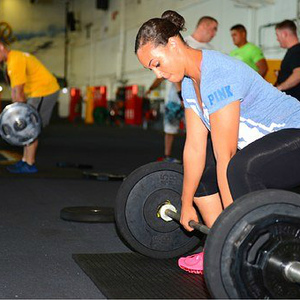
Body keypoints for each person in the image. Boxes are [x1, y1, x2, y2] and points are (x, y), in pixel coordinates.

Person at [135, 10, 300, 274]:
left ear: (174, 44)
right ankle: (218, 247)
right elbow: (194, 147)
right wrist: (186, 203)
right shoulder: (189, 83)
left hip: (294, 135)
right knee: (201, 176)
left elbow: (226, 155)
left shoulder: (218, 73)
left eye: (157, 63)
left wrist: (232, 228)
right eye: (151, 69)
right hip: (265, 145)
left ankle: (254, 251)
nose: (158, 73)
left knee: (240, 168)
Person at [146, 16, 218, 162]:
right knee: (170, 127)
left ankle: (199, 160)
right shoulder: (184, 43)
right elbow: (172, 71)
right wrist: (180, 94)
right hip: (176, 96)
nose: (215, 33)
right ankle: (167, 156)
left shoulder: (211, 50)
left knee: (196, 130)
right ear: (204, 26)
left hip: (199, 97)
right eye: (214, 29)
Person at [0, 41, 60, 173]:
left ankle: (30, 164)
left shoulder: (15, 60)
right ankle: (24, 160)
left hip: (45, 90)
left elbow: (19, 91)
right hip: (36, 91)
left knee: (30, 126)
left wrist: (18, 114)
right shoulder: (12, 60)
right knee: (26, 125)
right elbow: (15, 91)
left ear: (1, 47)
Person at [275, 20, 300, 100]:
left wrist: (280, 88)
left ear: (284, 34)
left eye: (277, 35)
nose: (277, 39)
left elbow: (298, 74)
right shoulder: (293, 51)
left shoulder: (296, 51)